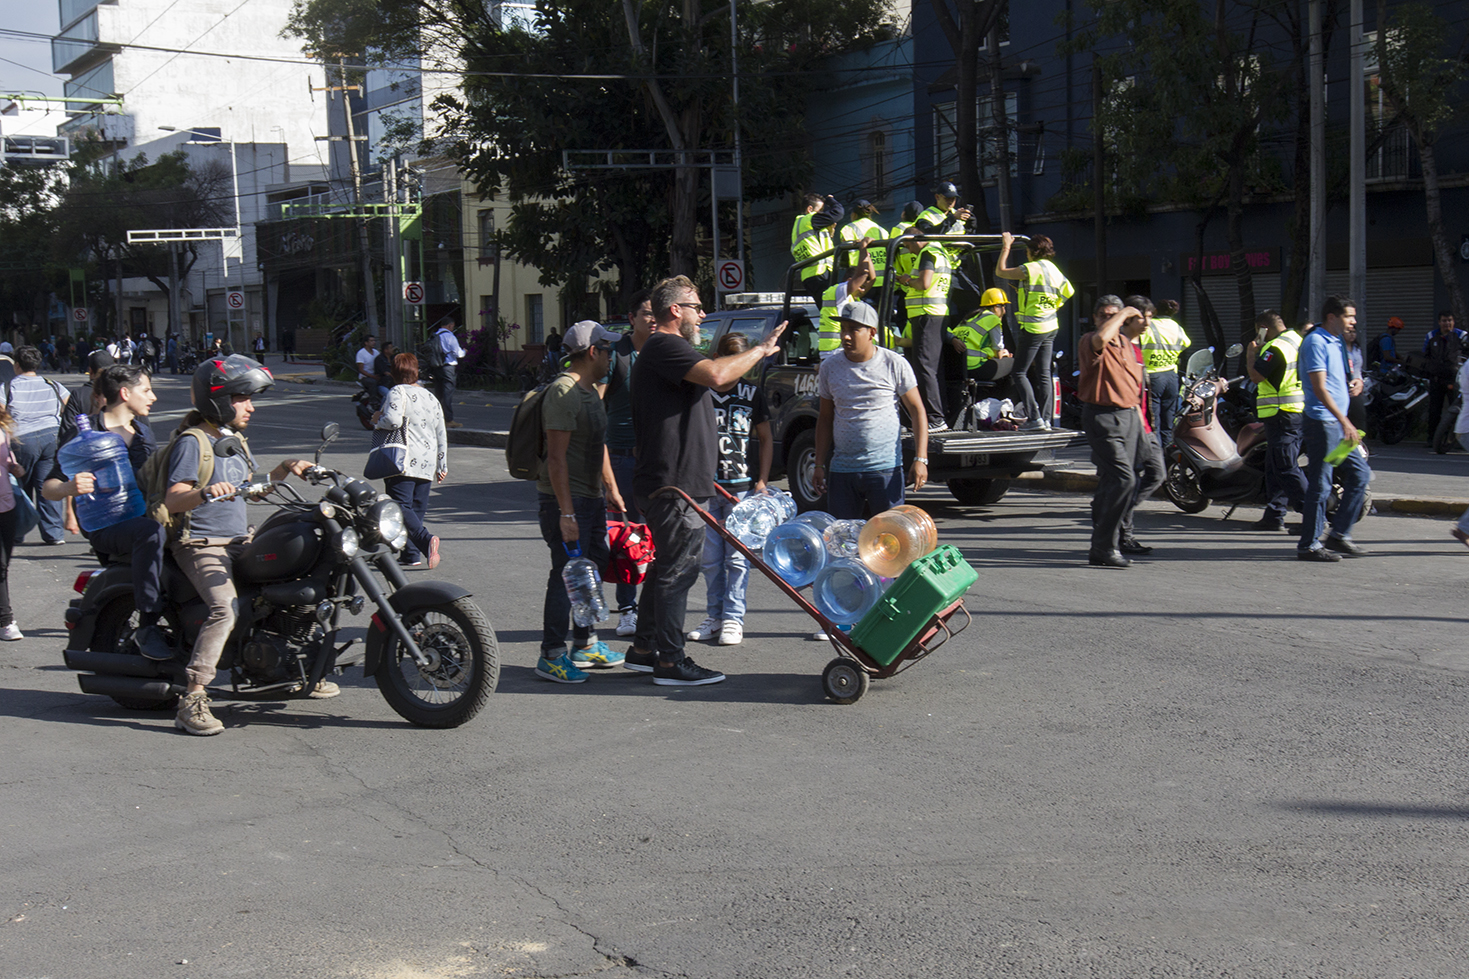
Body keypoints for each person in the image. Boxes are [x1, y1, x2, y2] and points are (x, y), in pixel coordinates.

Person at [625, 276, 784, 686]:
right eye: (696, 306)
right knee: (680, 570)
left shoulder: (667, 350)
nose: (703, 314)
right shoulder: (664, 345)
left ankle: (644, 650)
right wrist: (761, 350)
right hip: (673, 483)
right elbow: (717, 375)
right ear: (675, 310)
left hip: (680, 480)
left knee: (666, 568)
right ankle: (670, 662)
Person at [164, 355, 318, 735]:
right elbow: (173, 499)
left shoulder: (235, 442)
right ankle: (194, 698)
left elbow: (251, 491)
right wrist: (202, 493)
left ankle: (292, 668)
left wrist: (285, 468)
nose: (250, 406)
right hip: (201, 544)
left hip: (238, 541)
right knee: (225, 610)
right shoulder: (193, 442)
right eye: (242, 398)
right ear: (218, 400)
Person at [42, 365, 172, 660]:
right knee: (149, 533)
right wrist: (69, 488)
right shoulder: (85, 431)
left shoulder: (143, 432)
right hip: (107, 525)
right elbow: (48, 487)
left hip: (142, 516)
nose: (152, 397)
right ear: (125, 393)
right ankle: (148, 625)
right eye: (147, 390)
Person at [535, 321, 627, 683]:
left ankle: (585, 644)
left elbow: (598, 443)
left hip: (590, 498)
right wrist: (566, 512)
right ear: (593, 352)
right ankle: (552, 654)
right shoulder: (564, 392)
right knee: (565, 576)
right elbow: (556, 458)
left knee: (590, 570)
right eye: (608, 350)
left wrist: (612, 488)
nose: (612, 356)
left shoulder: (590, 391)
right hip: (565, 502)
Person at [686, 332, 774, 648]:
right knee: (710, 559)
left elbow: (765, 438)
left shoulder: (752, 394)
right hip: (707, 489)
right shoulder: (700, 393)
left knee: (737, 559)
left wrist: (762, 480)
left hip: (741, 489)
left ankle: (734, 618)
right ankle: (715, 616)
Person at [814, 299, 929, 519]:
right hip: (842, 470)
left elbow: (917, 411)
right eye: (843, 329)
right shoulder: (830, 367)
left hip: (885, 469)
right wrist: (819, 463)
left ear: (871, 332)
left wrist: (921, 459)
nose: (846, 336)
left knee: (889, 542)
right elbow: (825, 418)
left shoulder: (894, 363)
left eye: (854, 330)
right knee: (843, 542)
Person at [1296, 296, 1371, 562]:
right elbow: (1319, 388)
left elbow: (1348, 374)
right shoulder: (1316, 341)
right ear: (1332, 317)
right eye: (1349, 316)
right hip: (1324, 424)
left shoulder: (1336, 341)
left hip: (1338, 426)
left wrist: (1357, 380)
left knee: (1360, 474)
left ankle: (1339, 535)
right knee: (1321, 483)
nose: (1353, 321)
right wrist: (1345, 421)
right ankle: (1309, 545)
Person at [1077, 302, 1148, 568]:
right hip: (1102, 416)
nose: (1108, 320)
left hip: (1129, 416)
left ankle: (1108, 544)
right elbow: (1101, 337)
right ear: (1095, 318)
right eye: (1103, 315)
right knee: (1123, 479)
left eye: (1112, 315)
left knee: (1115, 481)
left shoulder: (1127, 345)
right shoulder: (1092, 341)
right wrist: (1122, 314)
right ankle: (1104, 546)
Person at [602, 289, 655, 637]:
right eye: (646, 313)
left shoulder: (660, 351)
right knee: (626, 536)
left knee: (654, 536)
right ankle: (627, 609)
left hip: (654, 458)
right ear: (632, 318)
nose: (652, 319)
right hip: (620, 456)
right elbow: (595, 403)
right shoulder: (617, 355)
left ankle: (652, 609)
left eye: (656, 313)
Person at [372, 352, 446, 570]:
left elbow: (392, 421)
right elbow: (441, 431)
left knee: (399, 506)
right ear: (415, 372)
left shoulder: (397, 391)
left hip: (402, 459)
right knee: (416, 509)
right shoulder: (430, 396)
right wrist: (442, 464)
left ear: (394, 373)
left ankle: (425, 540)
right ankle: (410, 554)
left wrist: (378, 420)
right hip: (427, 460)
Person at [996, 232, 1074, 431]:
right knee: (1044, 374)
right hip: (1051, 326)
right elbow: (1068, 291)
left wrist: (1006, 246)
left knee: (1019, 372)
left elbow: (1001, 271)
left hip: (1033, 328)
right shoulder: (1055, 270)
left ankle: (1034, 418)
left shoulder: (1030, 268)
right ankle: (1046, 420)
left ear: (1031, 251)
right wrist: (1052, 306)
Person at [1, 346, 71, 544]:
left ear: (16, 365)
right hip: (51, 438)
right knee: (47, 484)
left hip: (21, 439)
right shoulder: (53, 385)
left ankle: (17, 532)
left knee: (20, 486)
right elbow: (70, 405)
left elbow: (1, 414)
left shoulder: (8, 388)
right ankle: (54, 534)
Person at [1246, 310, 1308, 532]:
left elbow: (1256, 376)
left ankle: (1312, 514)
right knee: (1274, 466)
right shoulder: (1298, 340)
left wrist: (1251, 353)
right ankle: (1274, 514)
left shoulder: (1275, 348)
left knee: (1285, 466)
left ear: (1264, 328)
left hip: (1281, 413)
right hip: (1294, 412)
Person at [1118, 297, 1166, 557]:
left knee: (1157, 474)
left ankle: (1119, 515)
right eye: (1142, 317)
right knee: (1131, 479)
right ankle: (1124, 533)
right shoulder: (1119, 345)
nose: (1147, 322)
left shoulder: (1138, 347)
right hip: (1131, 426)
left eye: (1150, 317)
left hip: (1147, 425)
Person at [894, 231, 953, 432]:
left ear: (916, 240)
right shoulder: (941, 252)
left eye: (908, 245)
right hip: (935, 314)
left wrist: (906, 280)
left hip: (926, 314)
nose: (908, 250)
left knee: (924, 367)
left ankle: (936, 419)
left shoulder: (928, 253)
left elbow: (924, 283)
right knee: (932, 368)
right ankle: (939, 415)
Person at [1138, 296, 1190, 449]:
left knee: (1154, 424)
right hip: (1171, 378)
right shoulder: (1177, 327)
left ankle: (1156, 458)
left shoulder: (1149, 326)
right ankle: (1168, 458)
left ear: (1155, 311)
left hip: (1152, 377)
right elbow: (1186, 343)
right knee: (1168, 423)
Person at [817, 238, 875, 360]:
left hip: (841, 351)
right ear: (850, 281)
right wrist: (862, 248)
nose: (864, 290)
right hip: (832, 353)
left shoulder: (854, 300)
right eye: (862, 286)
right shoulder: (837, 292)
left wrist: (867, 254)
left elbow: (872, 279)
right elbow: (862, 275)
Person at [0, 401, 27, 640]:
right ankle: (5, 621)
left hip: (5, 504)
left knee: (3, 564)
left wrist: (14, 468)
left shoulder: (1, 428)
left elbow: (6, 460)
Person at [948, 288, 1014, 384]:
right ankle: (1008, 398)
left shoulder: (971, 317)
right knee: (1013, 363)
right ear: (996, 307)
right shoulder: (993, 319)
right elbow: (999, 353)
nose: (1004, 311)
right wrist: (1006, 354)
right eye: (1003, 306)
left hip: (956, 368)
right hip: (974, 366)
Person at [1423, 311, 1465, 444]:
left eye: (1450, 320)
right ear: (1439, 322)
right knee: (1434, 410)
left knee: (1458, 410)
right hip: (1436, 379)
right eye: (1444, 320)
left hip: (1455, 379)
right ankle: (1432, 439)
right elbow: (1426, 356)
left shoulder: (1462, 335)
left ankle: (1457, 440)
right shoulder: (1431, 336)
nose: (1447, 323)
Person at [791, 193, 843, 298]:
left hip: (808, 276)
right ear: (810, 209)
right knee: (831, 309)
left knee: (826, 308)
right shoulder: (810, 219)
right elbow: (838, 213)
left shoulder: (799, 224)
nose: (822, 214)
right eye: (820, 210)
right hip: (820, 272)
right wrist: (830, 200)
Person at [839, 200, 887, 289]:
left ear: (854, 214)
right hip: (883, 281)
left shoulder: (848, 229)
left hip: (861, 281)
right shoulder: (882, 230)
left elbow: (845, 256)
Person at [430, 317, 467, 429]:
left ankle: (437, 418)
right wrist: (464, 351)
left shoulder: (434, 336)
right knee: (447, 394)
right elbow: (458, 354)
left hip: (436, 367)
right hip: (448, 367)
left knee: (439, 393)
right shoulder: (449, 337)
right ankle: (448, 419)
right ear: (450, 325)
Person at [354, 334, 386, 400]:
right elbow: (361, 369)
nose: (374, 342)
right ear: (366, 343)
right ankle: (373, 400)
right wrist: (372, 376)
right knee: (372, 382)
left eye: (374, 340)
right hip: (366, 377)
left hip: (376, 375)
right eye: (371, 341)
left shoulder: (376, 352)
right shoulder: (361, 353)